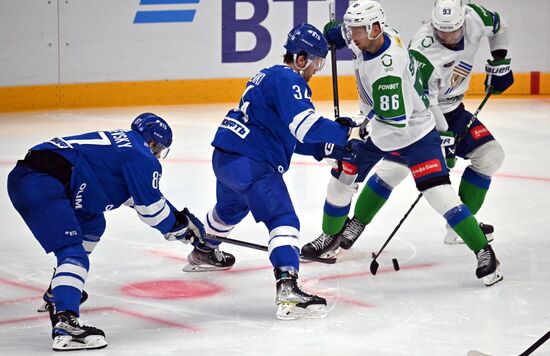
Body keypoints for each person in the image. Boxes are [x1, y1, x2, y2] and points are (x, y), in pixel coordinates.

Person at [300, 0, 503, 287]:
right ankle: (331, 238)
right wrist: (338, 33)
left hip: (411, 132)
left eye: (356, 30)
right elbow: (350, 37)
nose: (352, 35)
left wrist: (353, 132)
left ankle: (485, 252)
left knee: (439, 195)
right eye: (352, 30)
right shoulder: (381, 35)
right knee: (342, 177)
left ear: (372, 28)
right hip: (386, 123)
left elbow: (392, 123)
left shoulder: (387, 72)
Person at [7, 113, 234, 351]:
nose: (158, 156)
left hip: (38, 178)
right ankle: (66, 324)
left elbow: (134, 197)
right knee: (73, 254)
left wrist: (181, 221)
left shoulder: (124, 145)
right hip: (44, 184)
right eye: (160, 150)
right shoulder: (142, 156)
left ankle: (62, 289)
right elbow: (152, 211)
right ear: (153, 143)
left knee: (93, 224)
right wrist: (183, 230)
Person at [201, 23, 358, 320]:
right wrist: (346, 133)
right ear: (301, 59)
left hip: (226, 158)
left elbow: (290, 137)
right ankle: (287, 287)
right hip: (252, 163)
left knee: (230, 208)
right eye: (316, 62)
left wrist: (332, 149)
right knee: (282, 218)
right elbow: (306, 126)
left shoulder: (268, 76)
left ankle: (204, 250)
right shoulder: (290, 80)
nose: (316, 70)